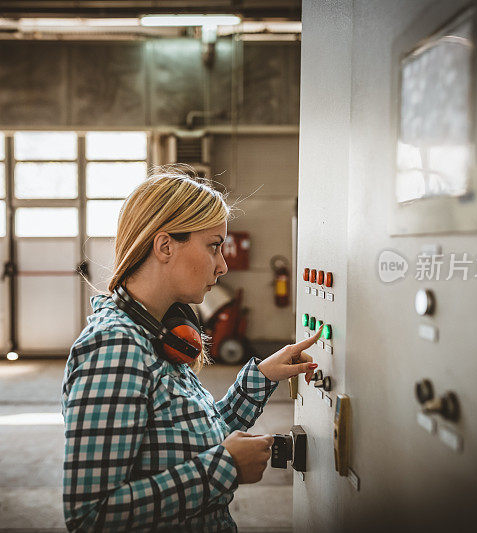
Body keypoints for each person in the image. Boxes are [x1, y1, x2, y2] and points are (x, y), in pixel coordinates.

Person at [61, 169, 322, 531]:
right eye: (214, 245)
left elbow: (190, 439)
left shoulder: (158, 332)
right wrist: (225, 468)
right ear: (165, 246)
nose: (223, 264)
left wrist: (261, 378)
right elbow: (91, 517)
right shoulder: (116, 347)